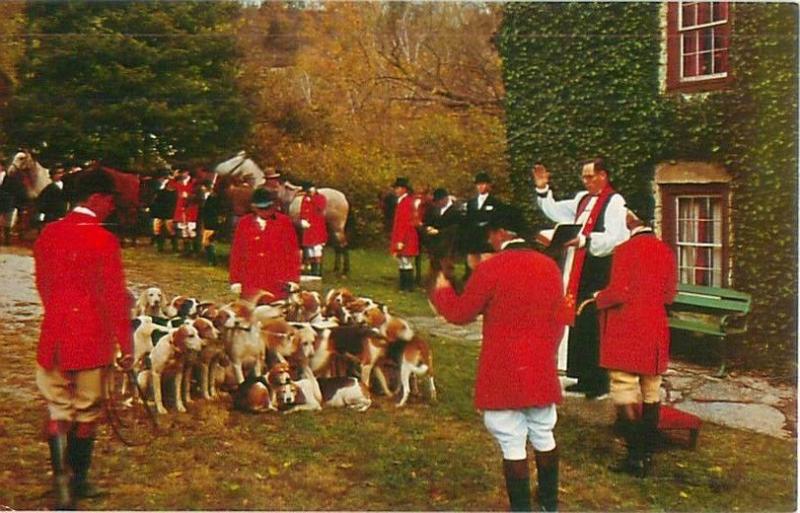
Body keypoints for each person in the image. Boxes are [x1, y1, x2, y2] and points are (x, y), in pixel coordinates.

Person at [430, 206, 565, 512]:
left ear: (501, 232)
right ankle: (549, 505)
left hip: (504, 368)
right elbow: (559, 316)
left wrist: (442, 290)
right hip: (541, 364)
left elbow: (460, 313)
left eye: (491, 232)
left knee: (512, 443)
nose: (489, 238)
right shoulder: (549, 266)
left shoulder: (491, 268)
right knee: (544, 434)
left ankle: (521, 509)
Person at [33, 168, 134, 510]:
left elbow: (43, 286)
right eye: (109, 200)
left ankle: (61, 481)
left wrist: (60, 316)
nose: (110, 206)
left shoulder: (49, 233)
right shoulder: (104, 239)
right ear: (96, 198)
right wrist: (127, 344)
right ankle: (77, 480)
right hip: (92, 339)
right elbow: (115, 298)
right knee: (87, 411)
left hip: (55, 336)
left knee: (58, 408)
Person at [532, 158, 628, 399]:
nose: (585, 182)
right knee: (577, 319)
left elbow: (618, 237)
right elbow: (555, 211)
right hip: (578, 265)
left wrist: (587, 240)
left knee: (593, 322)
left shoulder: (615, 201)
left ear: (603, 176)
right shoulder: (581, 200)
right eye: (583, 177)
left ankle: (599, 380)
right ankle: (582, 375)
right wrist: (543, 189)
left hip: (599, 267)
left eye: (590, 177)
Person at [594, 206, 677, 477]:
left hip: (627, 328)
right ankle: (648, 452)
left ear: (631, 216)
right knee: (651, 390)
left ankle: (635, 457)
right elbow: (668, 296)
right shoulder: (666, 250)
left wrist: (597, 298)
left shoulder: (625, 250)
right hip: (654, 326)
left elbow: (618, 292)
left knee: (624, 388)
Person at [229, 188, 301, 301]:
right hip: (251, 281)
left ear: (273, 206)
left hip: (277, 282)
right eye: (261, 209)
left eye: (268, 208)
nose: (265, 212)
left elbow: (292, 253)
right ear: (253, 207)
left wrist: (293, 279)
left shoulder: (284, 222)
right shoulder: (244, 223)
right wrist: (235, 280)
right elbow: (237, 253)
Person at [462, 171, 502, 279]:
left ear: (489, 185)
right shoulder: (471, 203)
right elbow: (468, 220)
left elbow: (497, 221)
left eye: (483, 184)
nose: (481, 187)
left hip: (487, 238)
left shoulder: (495, 202)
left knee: (488, 266)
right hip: (474, 238)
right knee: (473, 266)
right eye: (478, 184)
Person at [421, 187, 464, 279]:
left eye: (438, 201)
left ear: (445, 199)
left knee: (447, 270)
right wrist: (428, 227)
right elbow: (427, 221)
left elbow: (456, 228)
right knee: (434, 268)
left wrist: (439, 232)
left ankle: (450, 288)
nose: (437, 204)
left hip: (449, 245)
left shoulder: (456, 211)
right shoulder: (435, 209)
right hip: (435, 244)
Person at [389, 177, 420, 292]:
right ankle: (403, 285)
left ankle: (408, 286)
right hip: (402, 234)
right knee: (401, 261)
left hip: (407, 236)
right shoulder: (402, 201)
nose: (396, 190)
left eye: (398, 188)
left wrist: (401, 240)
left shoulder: (406, 202)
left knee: (406, 261)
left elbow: (405, 222)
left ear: (404, 189)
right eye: (396, 188)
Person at [299, 180, 328, 277]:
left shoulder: (320, 198)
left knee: (317, 249)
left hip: (317, 226)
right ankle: (313, 269)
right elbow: (303, 210)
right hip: (308, 228)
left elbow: (320, 208)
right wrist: (302, 219)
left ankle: (318, 271)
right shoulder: (305, 198)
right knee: (310, 250)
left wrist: (312, 200)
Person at [145, 168, 178, 252]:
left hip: (167, 213)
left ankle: (174, 246)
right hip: (161, 213)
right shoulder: (161, 192)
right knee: (158, 230)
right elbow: (155, 202)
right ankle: (161, 247)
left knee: (169, 230)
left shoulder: (174, 193)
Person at [171, 167, 199, 256]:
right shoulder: (178, 183)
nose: (179, 175)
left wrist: (189, 196)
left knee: (191, 231)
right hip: (181, 210)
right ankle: (186, 250)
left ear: (186, 173)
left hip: (191, 210)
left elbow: (199, 197)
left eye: (180, 173)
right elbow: (170, 187)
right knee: (183, 231)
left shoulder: (195, 183)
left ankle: (195, 251)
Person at [0, 158, 27, 245]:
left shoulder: (10, 178)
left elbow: (14, 190)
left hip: (7, 201)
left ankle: (7, 240)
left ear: (3, 167)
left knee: (7, 221)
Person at [197, 180, 222, 266]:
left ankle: (213, 260)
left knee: (207, 242)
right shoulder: (213, 198)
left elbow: (209, 210)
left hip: (211, 223)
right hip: (210, 222)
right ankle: (212, 259)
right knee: (208, 242)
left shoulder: (214, 199)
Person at [37, 164, 69, 228]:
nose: (60, 175)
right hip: (52, 217)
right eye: (58, 173)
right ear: (52, 175)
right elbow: (41, 203)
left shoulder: (67, 186)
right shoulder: (48, 189)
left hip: (65, 216)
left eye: (62, 173)